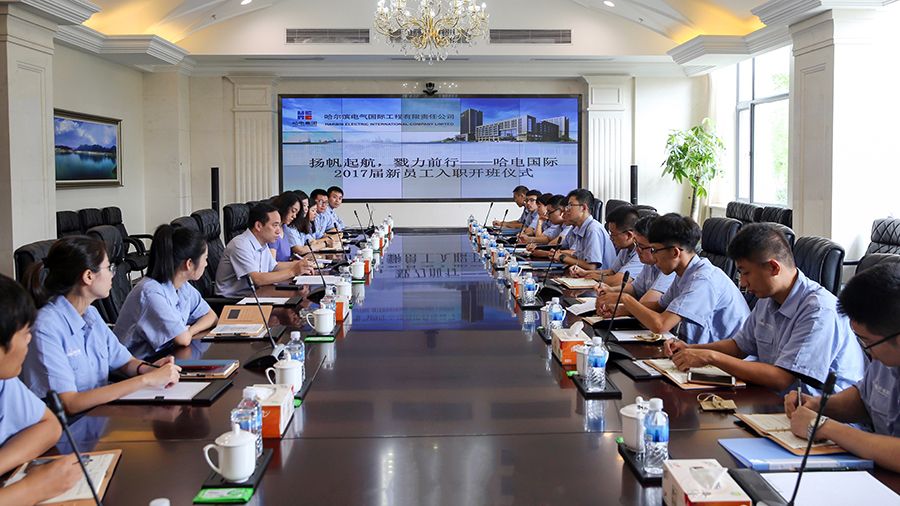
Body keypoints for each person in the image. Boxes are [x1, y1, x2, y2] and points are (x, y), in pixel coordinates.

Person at [664, 224, 865, 395]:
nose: (742, 283)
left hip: (822, 418)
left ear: (773, 268)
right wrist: (691, 349)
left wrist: (710, 357)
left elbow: (781, 378)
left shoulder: (819, 311)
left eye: (746, 273)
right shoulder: (767, 298)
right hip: (775, 403)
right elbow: (739, 347)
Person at [20, 236, 182, 415]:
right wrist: (146, 380)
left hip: (100, 415)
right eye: (109, 268)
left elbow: (125, 362)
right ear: (88, 276)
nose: (113, 274)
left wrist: (149, 369)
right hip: (72, 425)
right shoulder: (45, 327)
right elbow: (69, 403)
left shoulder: (91, 314)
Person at [784, 262, 900, 472]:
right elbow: (864, 399)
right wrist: (819, 405)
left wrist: (825, 427)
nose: (869, 353)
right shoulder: (886, 356)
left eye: (866, 342)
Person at [598, 213, 748, 344]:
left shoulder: (703, 280)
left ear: (675, 252)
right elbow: (658, 306)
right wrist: (620, 310)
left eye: (655, 250)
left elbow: (661, 325)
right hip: (697, 352)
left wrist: (625, 299)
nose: (653, 256)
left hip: (728, 362)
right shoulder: (685, 273)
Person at [0, 274, 82, 505]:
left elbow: (49, 425)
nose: (30, 340)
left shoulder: (5, 380)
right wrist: (32, 489)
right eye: (25, 333)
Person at [114, 225, 218, 360]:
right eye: (205, 258)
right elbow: (182, 339)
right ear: (189, 264)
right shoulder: (150, 293)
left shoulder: (183, 286)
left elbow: (211, 317)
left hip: (165, 359)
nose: (206, 264)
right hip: (137, 367)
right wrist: (186, 333)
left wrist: (190, 331)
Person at [215, 202, 313, 297]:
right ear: (258, 226)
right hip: (234, 301)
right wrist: (293, 271)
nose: (278, 231)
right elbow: (257, 279)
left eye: (279, 226)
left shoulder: (262, 242)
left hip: (257, 294)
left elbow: (274, 267)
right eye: (275, 225)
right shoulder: (240, 244)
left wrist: (301, 264)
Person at [594, 215, 674, 310]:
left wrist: (621, 304)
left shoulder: (669, 268)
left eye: (642, 247)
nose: (637, 250)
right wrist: (611, 290)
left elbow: (648, 302)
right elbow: (635, 289)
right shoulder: (649, 264)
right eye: (636, 244)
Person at [570, 205, 644, 285]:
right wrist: (585, 272)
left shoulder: (641, 252)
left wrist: (597, 277)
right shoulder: (625, 248)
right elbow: (612, 271)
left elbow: (618, 281)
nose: (611, 238)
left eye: (613, 235)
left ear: (629, 235)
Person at [550, 189, 616, 270]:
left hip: (597, 277)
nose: (566, 210)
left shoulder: (593, 230)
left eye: (570, 205)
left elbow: (591, 266)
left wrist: (562, 258)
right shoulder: (579, 228)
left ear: (584, 208)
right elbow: (579, 257)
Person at [267, 192, 303, 262]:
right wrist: (296, 265)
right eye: (293, 211)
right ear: (284, 206)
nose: (294, 216)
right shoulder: (273, 230)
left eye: (296, 213)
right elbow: (272, 265)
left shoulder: (284, 227)